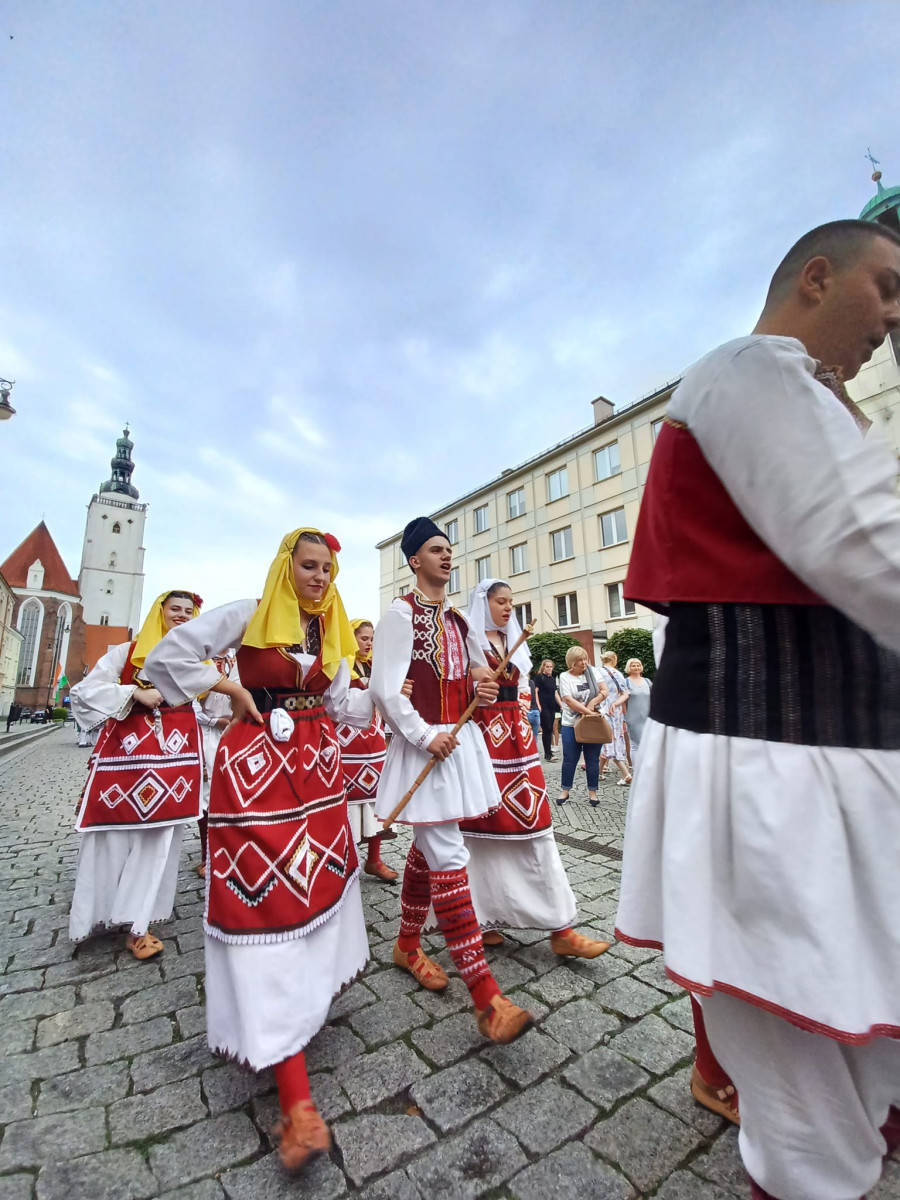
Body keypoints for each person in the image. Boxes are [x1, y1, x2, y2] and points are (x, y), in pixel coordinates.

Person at [615, 219, 900, 1200]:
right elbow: (866, 543)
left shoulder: (812, 400)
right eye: (886, 288)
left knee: (860, 1056)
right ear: (817, 278)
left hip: (830, 757)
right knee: (812, 1107)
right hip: (774, 763)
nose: (894, 318)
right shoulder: (747, 370)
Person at [145, 528, 372, 1172]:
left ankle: (306, 1004)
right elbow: (167, 657)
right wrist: (232, 691)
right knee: (263, 900)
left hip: (318, 771)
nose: (319, 577)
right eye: (309, 565)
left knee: (316, 891)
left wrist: (389, 691)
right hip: (256, 773)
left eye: (328, 568)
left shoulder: (329, 628)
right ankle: (295, 1101)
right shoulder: (248, 614)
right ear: (286, 566)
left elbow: (341, 704)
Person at [371, 517, 534, 1045]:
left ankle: (406, 945)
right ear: (413, 559)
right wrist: (424, 735)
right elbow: (385, 690)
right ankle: (486, 997)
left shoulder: (459, 619)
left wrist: (481, 688)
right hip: (425, 746)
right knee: (446, 855)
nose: (447, 556)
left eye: (449, 549)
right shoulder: (399, 615)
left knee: (431, 847)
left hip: (457, 745)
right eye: (436, 549)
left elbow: (473, 676)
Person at [451, 579, 610, 959]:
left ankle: (561, 927)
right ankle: (482, 917)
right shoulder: (466, 642)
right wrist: (474, 686)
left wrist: (523, 714)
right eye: (500, 602)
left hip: (518, 742)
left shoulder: (516, 643)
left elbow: (524, 690)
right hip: (482, 741)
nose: (508, 608)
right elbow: (451, 691)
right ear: (483, 603)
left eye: (511, 601)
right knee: (478, 832)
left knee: (533, 825)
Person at [69, 590, 204, 959]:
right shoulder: (127, 653)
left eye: (188, 611)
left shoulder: (196, 659)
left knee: (157, 843)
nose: (182, 615)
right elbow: (84, 692)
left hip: (174, 767)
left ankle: (138, 925)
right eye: (175, 609)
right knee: (109, 838)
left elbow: (207, 709)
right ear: (160, 612)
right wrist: (133, 694)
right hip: (123, 763)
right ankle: (94, 915)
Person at [333, 618, 396, 883]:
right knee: (347, 802)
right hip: (346, 743)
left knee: (374, 799)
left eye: (372, 639)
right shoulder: (340, 666)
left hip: (373, 741)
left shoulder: (375, 665)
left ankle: (374, 860)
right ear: (351, 638)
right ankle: (345, 861)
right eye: (364, 638)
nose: (369, 643)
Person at [194, 651, 236, 877]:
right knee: (206, 794)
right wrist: (213, 721)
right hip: (206, 734)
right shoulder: (201, 659)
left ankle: (230, 852)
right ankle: (207, 856)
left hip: (234, 731)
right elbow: (188, 701)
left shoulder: (238, 660)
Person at [556, 645, 609, 806]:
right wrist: (588, 712)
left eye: (585, 659)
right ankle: (565, 790)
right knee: (570, 758)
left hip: (592, 722)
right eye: (580, 660)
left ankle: (593, 792)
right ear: (572, 662)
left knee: (592, 758)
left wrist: (592, 704)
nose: (584, 663)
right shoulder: (565, 676)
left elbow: (604, 690)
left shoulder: (593, 672)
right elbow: (568, 699)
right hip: (571, 723)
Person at [597, 651, 632, 785]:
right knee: (614, 739)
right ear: (614, 660)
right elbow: (625, 693)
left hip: (603, 710)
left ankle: (626, 773)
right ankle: (599, 773)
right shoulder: (618, 674)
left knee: (607, 741)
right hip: (616, 712)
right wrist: (616, 704)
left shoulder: (598, 672)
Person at [622, 658, 651, 756]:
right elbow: (623, 702)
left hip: (647, 717)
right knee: (635, 745)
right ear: (629, 668)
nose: (636, 667)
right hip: (633, 718)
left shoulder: (647, 682)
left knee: (648, 743)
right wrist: (625, 717)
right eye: (633, 665)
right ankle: (635, 765)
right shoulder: (626, 682)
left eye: (638, 665)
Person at [533, 658, 559, 761]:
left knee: (550, 728)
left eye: (551, 667)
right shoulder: (539, 677)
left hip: (551, 706)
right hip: (543, 705)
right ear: (543, 667)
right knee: (547, 728)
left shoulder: (552, 679)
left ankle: (549, 752)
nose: (549, 668)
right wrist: (538, 705)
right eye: (547, 666)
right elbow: (535, 691)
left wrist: (561, 704)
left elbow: (555, 693)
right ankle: (548, 754)